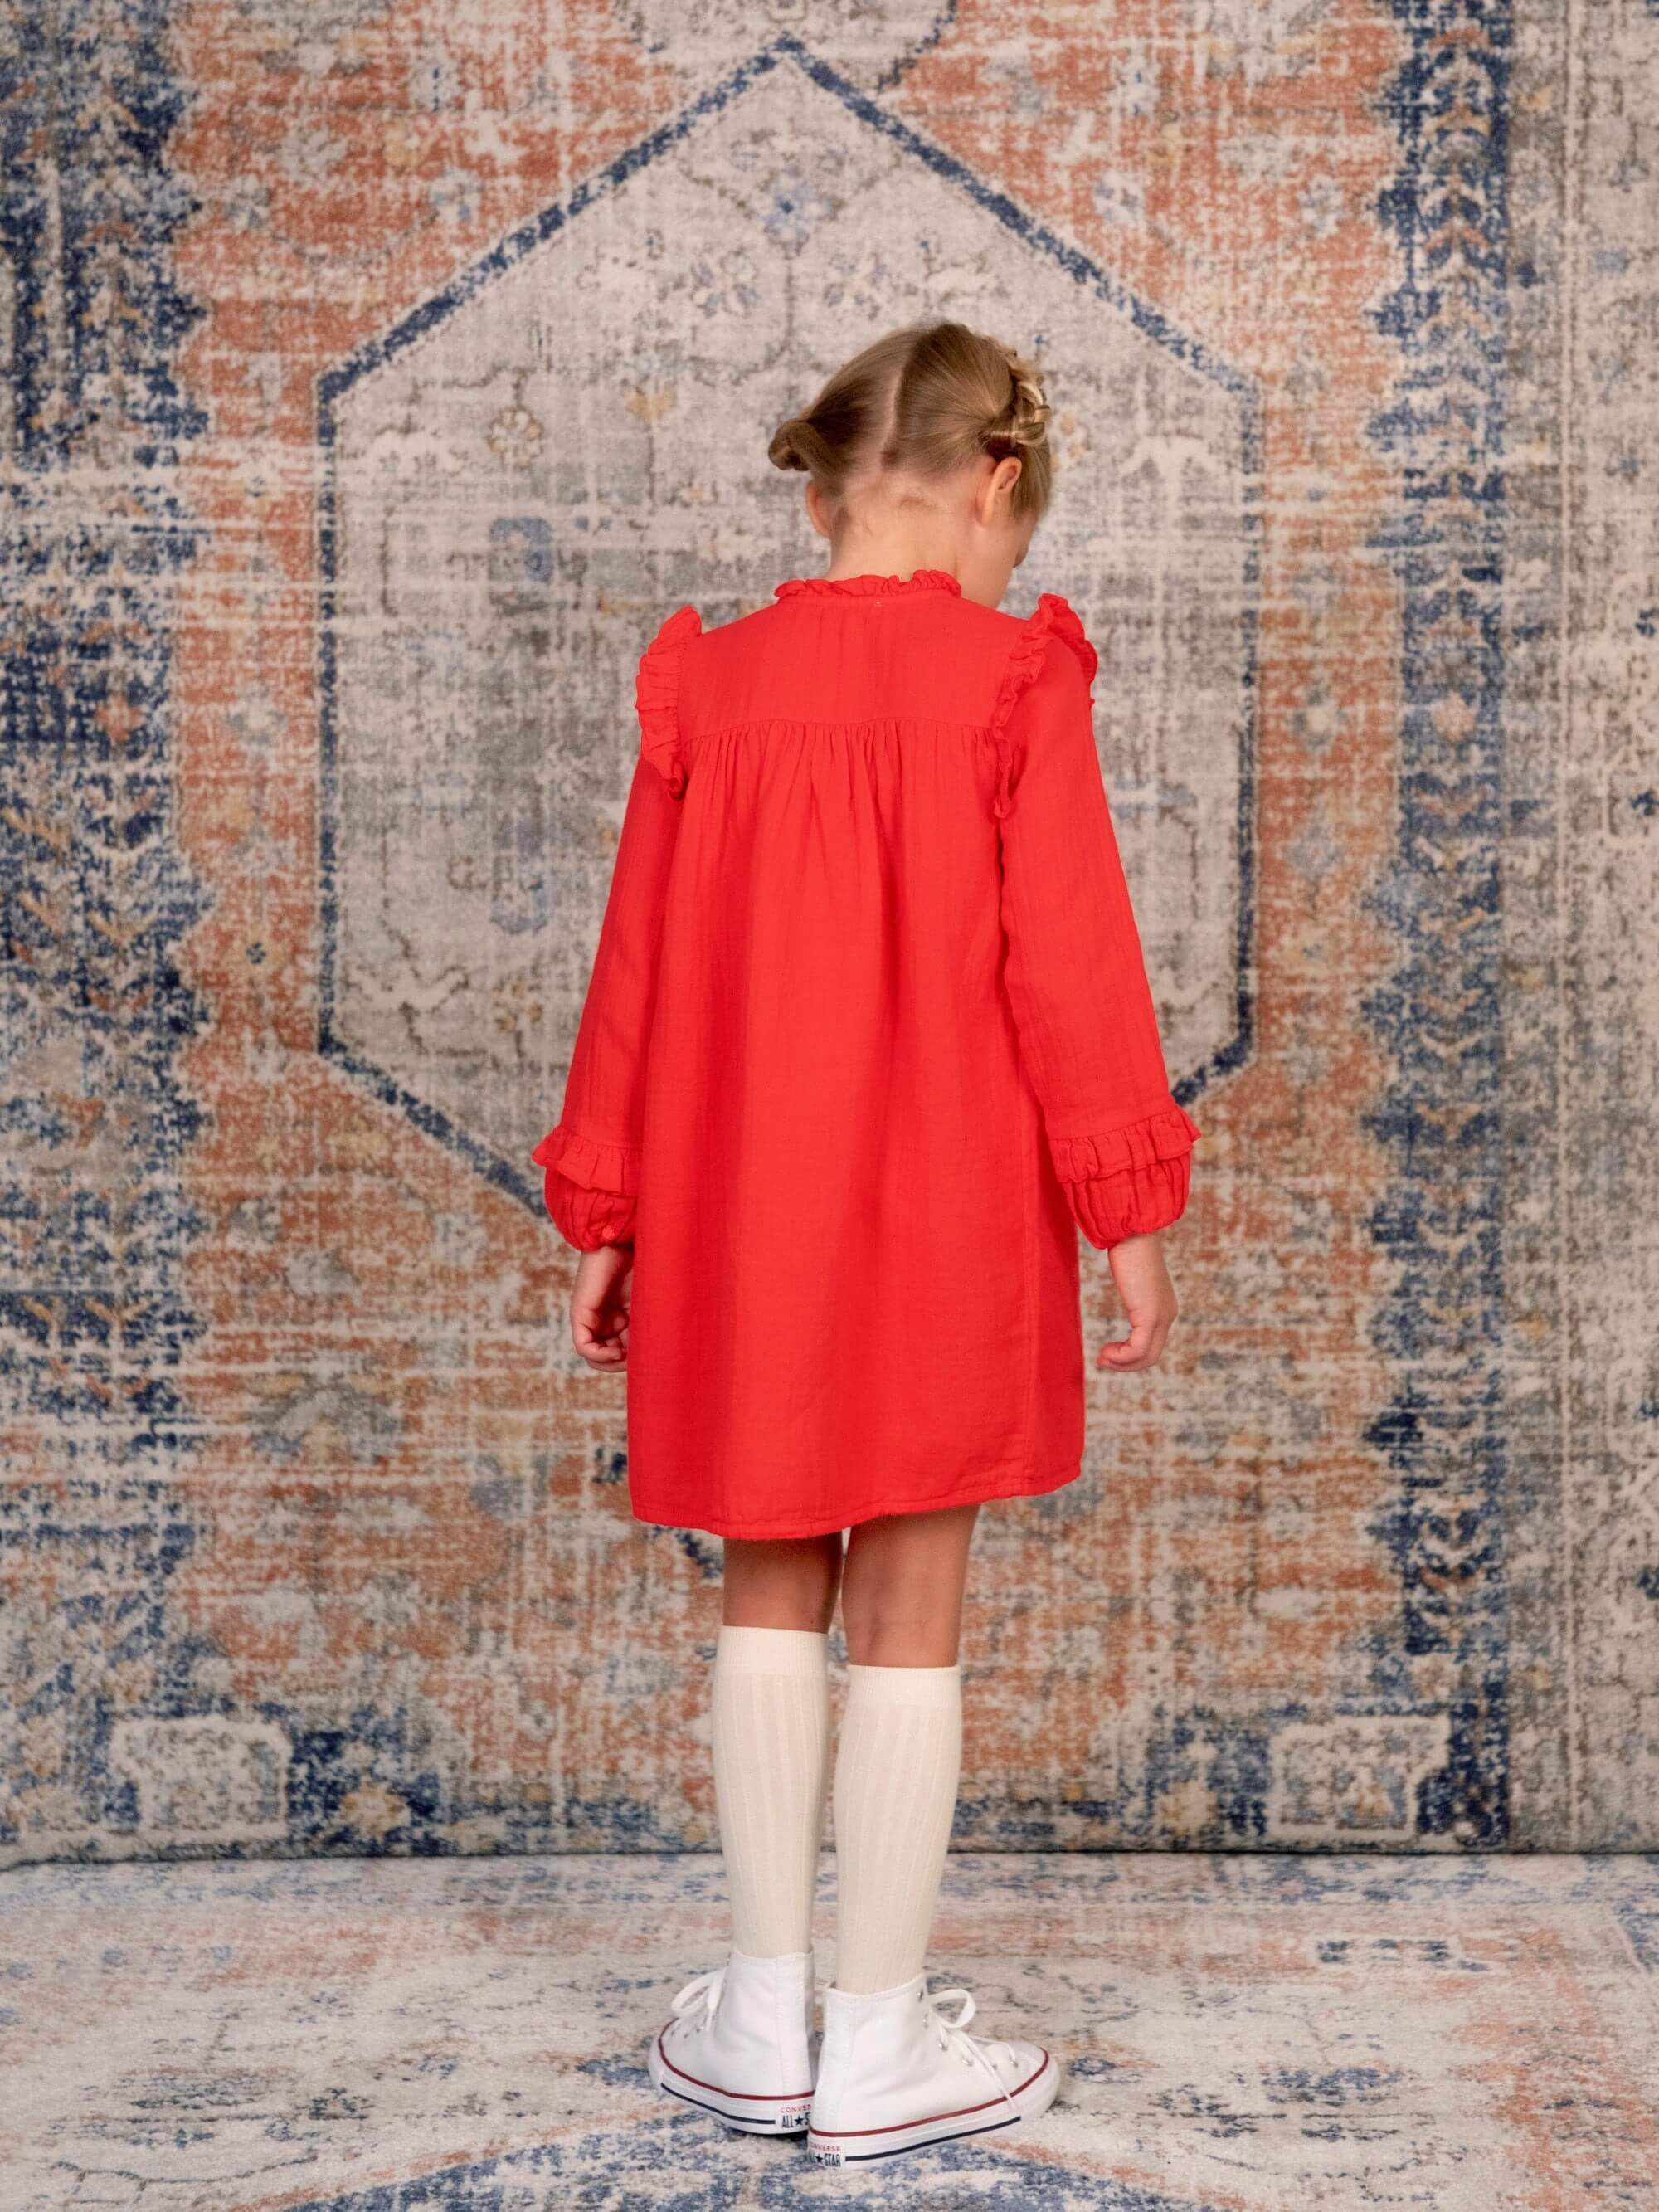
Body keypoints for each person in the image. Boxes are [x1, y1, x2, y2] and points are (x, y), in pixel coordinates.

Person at [530, 319, 1202, 2167]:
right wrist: (1127, 1212)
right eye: (1015, 525)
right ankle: (881, 2044)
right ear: (995, 486)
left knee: (768, 1581)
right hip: (949, 1198)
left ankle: (762, 2017)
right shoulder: (1014, 677)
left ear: (823, 492)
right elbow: (1072, 960)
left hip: (739, 1200)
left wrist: (608, 1205)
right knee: (912, 1600)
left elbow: (634, 964)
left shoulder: (711, 680)